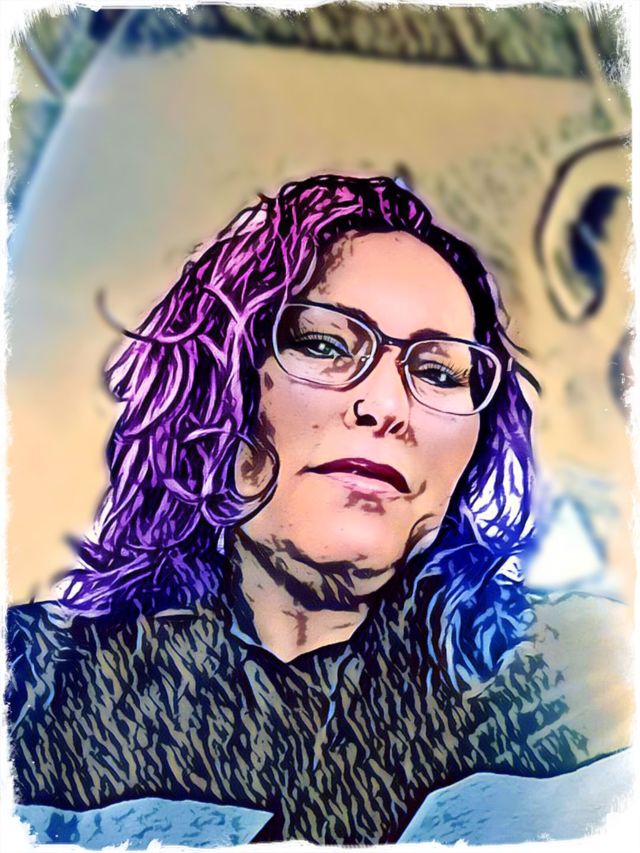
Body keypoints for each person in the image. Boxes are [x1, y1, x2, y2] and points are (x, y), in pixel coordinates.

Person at [6, 175, 632, 845]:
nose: (387, 406)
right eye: (325, 345)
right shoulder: (35, 685)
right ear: (219, 391)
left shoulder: (588, 678)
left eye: (439, 372)